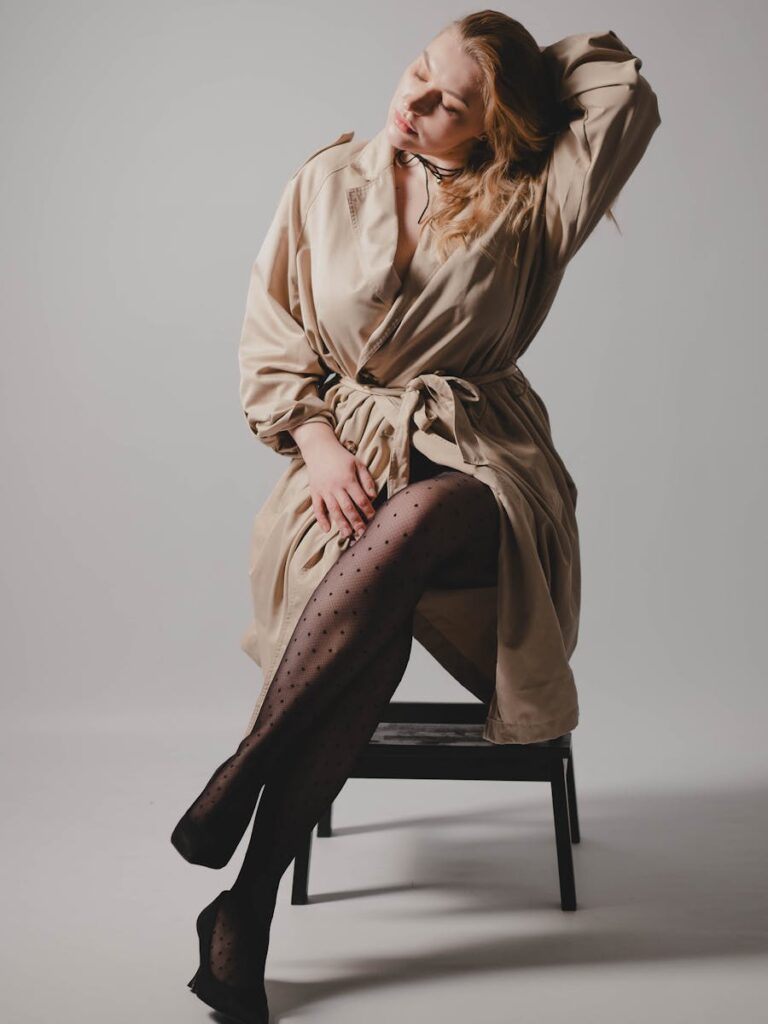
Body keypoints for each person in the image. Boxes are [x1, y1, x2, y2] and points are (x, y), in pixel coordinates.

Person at [171, 11, 661, 1022]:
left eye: (451, 101)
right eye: (416, 74)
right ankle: (243, 909)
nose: (415, 101)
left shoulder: (534, 197)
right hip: (343, 461)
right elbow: (271, 340)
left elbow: (624, 92)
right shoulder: (326, 179)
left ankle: (244, 766)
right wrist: (314, 444)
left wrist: (516, 80)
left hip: (484, 464)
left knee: (426, 517)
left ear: (501, 126)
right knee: (370, 631)